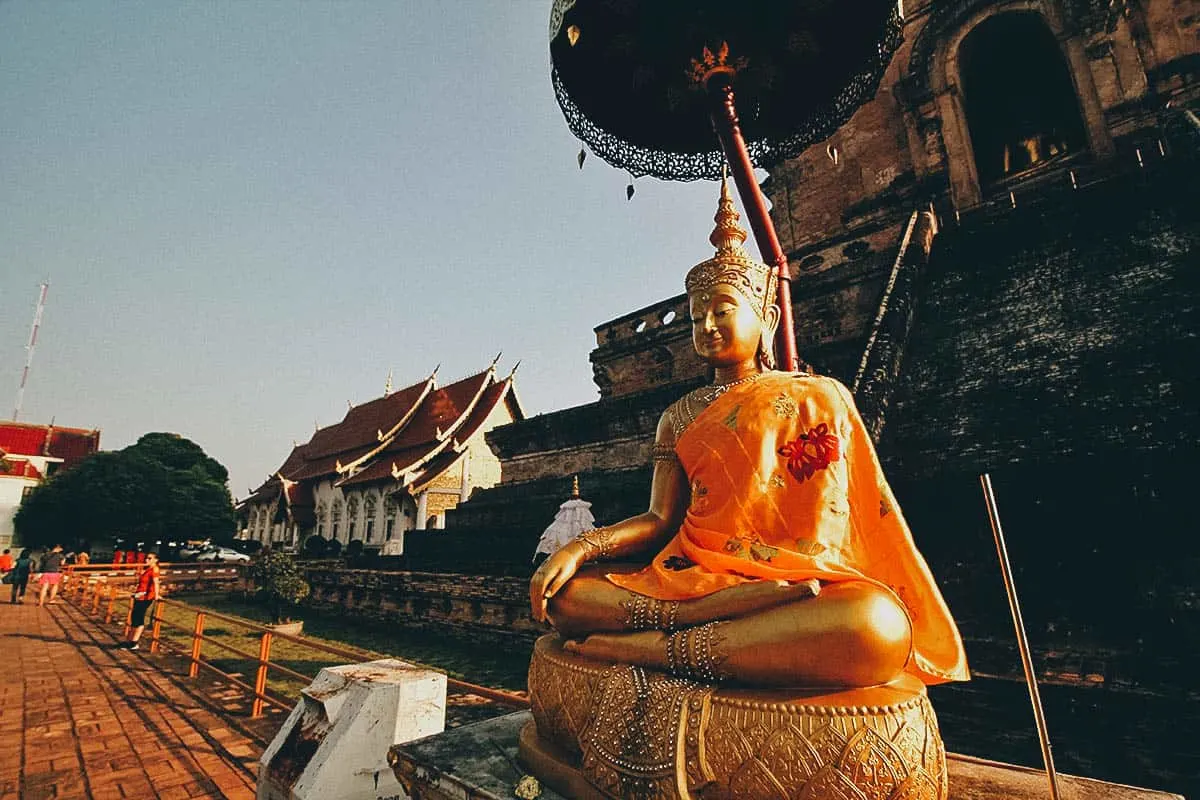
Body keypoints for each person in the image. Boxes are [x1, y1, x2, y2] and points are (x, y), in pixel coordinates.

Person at [530, 179, 969, 689]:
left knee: (877, 626)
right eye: (697, 317)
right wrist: (579, 548)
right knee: (565, 598)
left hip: (795, 583)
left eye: (722, 311)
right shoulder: (679, 414)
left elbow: (839, 524)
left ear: (767, 317)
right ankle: (716, 619)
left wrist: (777, 578)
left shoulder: (819, 397)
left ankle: (651, 648)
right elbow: (658, 518)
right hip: (692, 580)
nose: (708, 326)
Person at [121, 552, 161, 650]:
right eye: (146, 558)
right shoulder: (148, 569)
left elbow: (156, 583)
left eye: (150, 558)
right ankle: (129, 641)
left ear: (156, 560)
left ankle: (134, 642)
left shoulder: (155, 569)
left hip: (145, 598)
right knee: (134, 618)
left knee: (138, 619)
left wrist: (156, 595)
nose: (147, 560)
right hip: (139, 597)